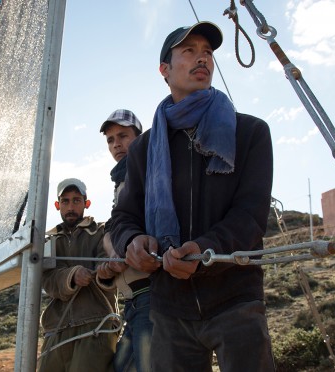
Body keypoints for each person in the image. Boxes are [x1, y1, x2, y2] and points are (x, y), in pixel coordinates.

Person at [110, 21, 276, 371]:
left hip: (236, 299)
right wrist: (133, 242)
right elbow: (122, 218)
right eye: (189, 51)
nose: (202, 58)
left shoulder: (250, 132)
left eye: (208, 53)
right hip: (169, 308)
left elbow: (250, 215)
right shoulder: (142, 149)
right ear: (165, 70)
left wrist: (204, 250)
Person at [38, 178, 119, 372]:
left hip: (95, 325)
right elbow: (47, 280)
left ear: (86, 203)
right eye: (65, 201)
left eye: (76, 200)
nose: (70, 206)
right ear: (57, 205)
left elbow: (107, 267)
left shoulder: (101, 232)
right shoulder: (50, 241)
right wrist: (72, 276)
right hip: (55, 329)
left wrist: (105, 272)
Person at [98, 109, 153, 372]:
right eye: (110, 139)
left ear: (139, 137)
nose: (116, 144)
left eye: (123, 136)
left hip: (149, 293)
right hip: (132, 299)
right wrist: (112, 258)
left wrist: (115, 246)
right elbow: (116, 231)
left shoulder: (145, 174)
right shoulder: (121, 179)